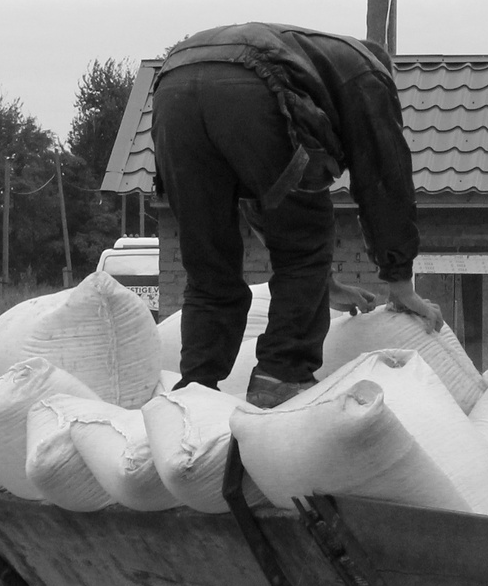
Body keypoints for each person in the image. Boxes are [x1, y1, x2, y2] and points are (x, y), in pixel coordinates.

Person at [151, 22, 443, 409]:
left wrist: (327, 284)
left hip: (174, 85)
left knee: (209, 262)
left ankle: (196, 388)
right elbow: (384, 178)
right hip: (246, 83)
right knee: (307, 235)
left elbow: (267, 198)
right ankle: (281, 375)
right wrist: (400, 279)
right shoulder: (369, 76)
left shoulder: (312, 61)